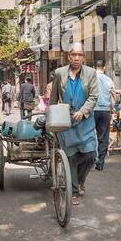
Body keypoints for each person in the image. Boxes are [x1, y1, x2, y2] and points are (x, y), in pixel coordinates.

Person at [50, 42, 99, 206]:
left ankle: (80, 180)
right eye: (73, 55)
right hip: (66, 121)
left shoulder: (91, 74)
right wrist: (52, 124)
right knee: (70, 158)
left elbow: (93, 97)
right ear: (68, 56)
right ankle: (74, 191)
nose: (76, 58)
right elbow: (53, 99)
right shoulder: (59, 73)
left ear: (83, 57)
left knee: (90, 155)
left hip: (85, 121)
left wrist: (83, 111)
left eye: (80, 55)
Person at [94, 60, 115, 171]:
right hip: (105, 111)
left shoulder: (90, 78)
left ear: (94, 67)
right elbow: (113, 97)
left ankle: (91, 159)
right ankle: (100, 163)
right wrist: (112, 110)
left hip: (91, 110)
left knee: (89, 135)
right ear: (105, 67)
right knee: (103, 137)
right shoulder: (109, 80)